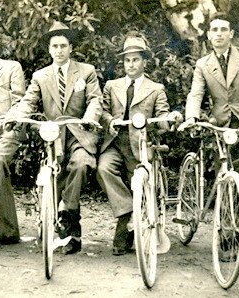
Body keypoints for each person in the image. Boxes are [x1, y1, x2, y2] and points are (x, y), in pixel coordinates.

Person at [6, 21, 103, 254]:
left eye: (63, 46)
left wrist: (90, 118)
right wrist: (18, 116)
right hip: (53, 135)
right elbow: (28, 101)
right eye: (55, 46)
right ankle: (67, 231)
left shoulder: (86, 71)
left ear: (71, 48)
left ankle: (66, 213)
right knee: (53, 174)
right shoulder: (41, 76)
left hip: (79, 133)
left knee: (80, 165)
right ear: (49, 49)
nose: (59, 50)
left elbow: (95, 99)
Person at [96, 33, 182, 255]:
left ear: (145, 62)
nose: (131, 64)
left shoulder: (156, 89)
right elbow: (103, 111)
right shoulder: (112, 86)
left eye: (135, 59)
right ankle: (128, 213)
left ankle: (125, 231)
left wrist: (172, 118)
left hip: (141, 145)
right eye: (127, 60)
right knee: (103, 168)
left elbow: (162, 118)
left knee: (141, 182)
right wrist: (109, 121)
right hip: (115, 143)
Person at [178, 13, 239, 207]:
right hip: (219, 128)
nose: (219, 34)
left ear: (231, 34)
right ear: (208, 35)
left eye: (223, 29)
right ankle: (225, 222)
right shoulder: (203, 64)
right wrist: (191, 118)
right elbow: (196, 94)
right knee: (220, 171)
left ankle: (238, 202)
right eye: (214, 30)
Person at [0, 32, 26, 246]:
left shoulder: (11, 67)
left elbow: (20, 102)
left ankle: (6, 229)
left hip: (7, 129)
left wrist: (2, 121)